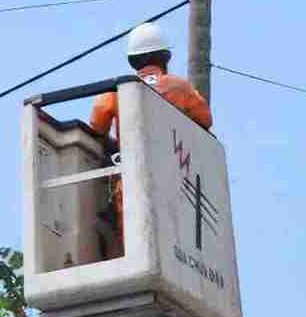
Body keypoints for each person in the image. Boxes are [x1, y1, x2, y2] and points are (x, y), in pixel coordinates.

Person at [85, 23, 214, 256]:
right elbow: (205, 120)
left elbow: (97, 124)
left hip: (132, 174)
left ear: (133, 61)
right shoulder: (179, 87)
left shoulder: (117, 89)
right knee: (173, 229)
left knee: (134, 231)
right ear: (165, 57)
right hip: (174, 172)